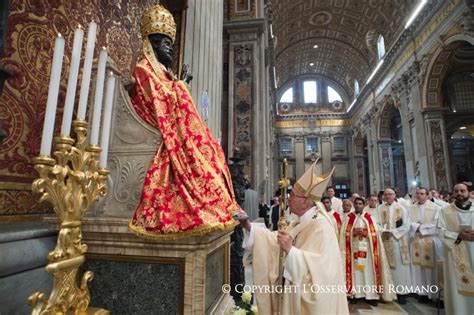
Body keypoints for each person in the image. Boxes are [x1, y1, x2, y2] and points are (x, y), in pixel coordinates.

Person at [129, 5, 240, 239]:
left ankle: (219, 201)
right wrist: (181, 85)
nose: (171, 47)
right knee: (197, 152)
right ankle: (209, 203)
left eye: (171, 42)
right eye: (165, 43)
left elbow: (171, 96)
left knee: (212, 152)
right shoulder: (143, 70)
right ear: (152, 44)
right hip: (153, 128)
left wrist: (180, 84)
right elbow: (160, 100)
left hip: (169, 125)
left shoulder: (164, 73)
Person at [237, 162, 348, 314]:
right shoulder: (299, 222)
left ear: (305, 201)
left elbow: (323, 271)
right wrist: (248, 227)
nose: (288, 199)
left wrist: (291, 251)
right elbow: (275, 240)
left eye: (293, 195)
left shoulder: (322, 227)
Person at [340, 197, 395, 305]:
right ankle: (355, 294)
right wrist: (354, 233)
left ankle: (371, 295)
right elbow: (343, 234)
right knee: (356, 272)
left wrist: (364, 233)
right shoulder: (348, 218)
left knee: (368, 271)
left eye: (360, 203)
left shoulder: (369, 217)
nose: (358, 205)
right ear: (353, 205)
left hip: (368, 251)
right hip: (353, 250)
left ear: (363, 204)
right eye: (356, 204)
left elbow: (375, 233)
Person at [437, 183, 474, 314]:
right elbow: (440, 230)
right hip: (455, 253)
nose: (459, 193)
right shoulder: (445, 211)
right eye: (456, 191)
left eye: (462, 191)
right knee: (456, 288)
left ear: (469, 192)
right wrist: (458, 235)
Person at [377, 188, 411, 304]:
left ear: (395, 195)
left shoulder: (401, 208)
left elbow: (407, 225)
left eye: (390, 194)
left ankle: (401, 294)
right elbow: (376, 224)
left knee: (400, 268)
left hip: (398, 242)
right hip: (385, 241)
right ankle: (388, 292)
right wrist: (382, 231)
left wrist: (394, 232)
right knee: (387, 267)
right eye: (386, 194)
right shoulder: (380, 208)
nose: (388, 196)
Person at [409, 188, 442, 302]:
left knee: (431, 269)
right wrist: (416, 227)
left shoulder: (436, 208)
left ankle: (433, 294)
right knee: (419, 268)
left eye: (422, 194)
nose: (419, 196)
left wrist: (419, 227)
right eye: (417, 194)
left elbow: (437, 224)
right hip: (416, 241)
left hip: (430, 240)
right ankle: (421, 293)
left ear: (427, 195)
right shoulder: (411, 207)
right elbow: (407, 222)